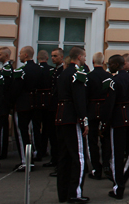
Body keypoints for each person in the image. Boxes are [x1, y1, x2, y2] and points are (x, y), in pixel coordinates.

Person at [105, 54, 129, 199]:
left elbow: (110, 104)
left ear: (116, 65)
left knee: (117, 154)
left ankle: (119, 188)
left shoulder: (113, 81)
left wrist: (105, 123)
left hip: (118, 119)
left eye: (110, 63)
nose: (108, 65)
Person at [54, 47, 90, 203]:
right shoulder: (77, 74)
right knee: (78, 157)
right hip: (72, 117)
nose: (85, 60)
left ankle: (63, 193)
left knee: (64, 157)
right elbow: (79, 99)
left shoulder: (63, 73)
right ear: (80, 57)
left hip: (61, 116)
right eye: (84, 57)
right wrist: (84, 120)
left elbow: (55, 94)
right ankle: (75, 193)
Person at [12, 46, 43, 171]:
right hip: (37, 104)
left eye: (20, 54)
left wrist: (12, 103)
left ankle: (26, 161)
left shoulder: (21, 71)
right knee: (34, 131)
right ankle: (34, 155)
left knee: (22, 133)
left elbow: (16, 89)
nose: (19, 56)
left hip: (23, 105)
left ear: (25, 55)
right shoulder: (39, 69)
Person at [86, 52, 112, 180]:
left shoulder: (88, 76)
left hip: (91, 110)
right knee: (106, 140)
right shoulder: (108, 76)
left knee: (92, 141)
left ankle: (96, 168)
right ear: (103, 62)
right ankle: (107, 165)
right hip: (105, 110)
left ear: (92, 61)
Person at [36, 50, 55, 162]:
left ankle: (39, 150)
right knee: (48, 128)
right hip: (49, 101)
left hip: (37, 101)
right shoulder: (51, 70)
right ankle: (45, 148)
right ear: (47, 58)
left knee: (37, 127)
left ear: (38, 58)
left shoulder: (36, 69)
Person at [0, 46, 14, 159]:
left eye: (0, 54)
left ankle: (2, 151)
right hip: (3, 103)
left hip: (3, 103)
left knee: (2, 128)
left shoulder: (7, 69)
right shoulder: (4, 67)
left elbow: (5, 87)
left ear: (6, 56)